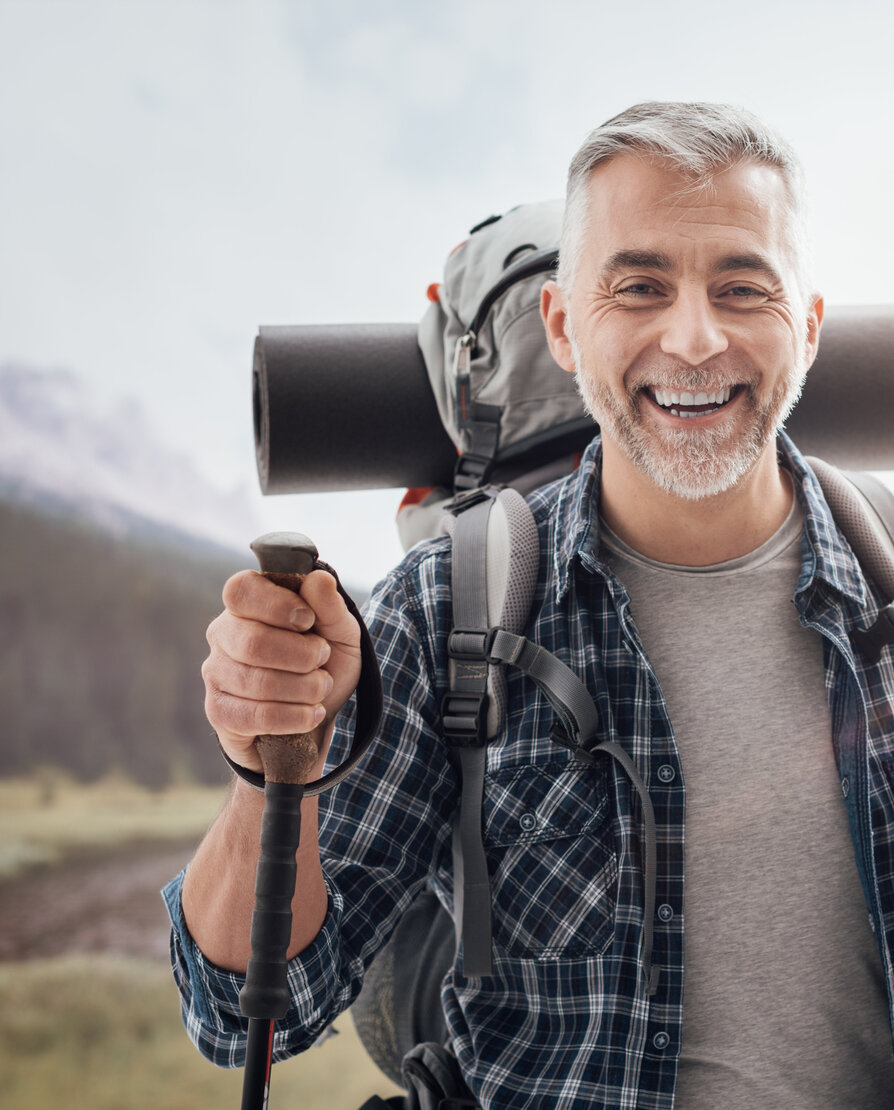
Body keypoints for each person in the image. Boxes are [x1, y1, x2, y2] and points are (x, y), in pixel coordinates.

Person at [162, 102, 894, 1109]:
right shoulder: (449, 609)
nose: (692, 338)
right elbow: (248, 1008)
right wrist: (267, 762)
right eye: (638, 286)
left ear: (806, 328)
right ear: (562, 324)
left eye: (743, 288)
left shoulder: (888, 581)